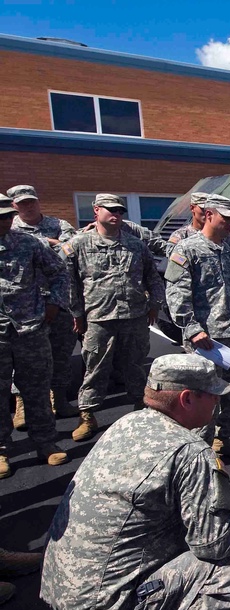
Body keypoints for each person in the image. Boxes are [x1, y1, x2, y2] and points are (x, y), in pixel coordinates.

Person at [41, 354, 230, 610]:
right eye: (213, 396)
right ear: (187, 398)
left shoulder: (127, 424)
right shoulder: (189, 450)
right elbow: (213, 544)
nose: (218, 403)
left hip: (61, 601)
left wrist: (225, 509)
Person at [165, 194, 230, 459]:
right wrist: (192, 329)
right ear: (209, 215)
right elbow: (177, 295)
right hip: (206, 339)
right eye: (226, 218)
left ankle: (224, 439)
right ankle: (199, 451)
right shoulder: (187, 250)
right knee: (204, 396)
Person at [62, 194, 165, 442]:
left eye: (119, 211)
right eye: (111, 210)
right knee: (96, 367)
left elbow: (153, 277)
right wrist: (76, 313)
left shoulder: (136, 245)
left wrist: (154, 304)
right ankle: (87, 415)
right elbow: (70, 284)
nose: (116, 214)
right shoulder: (78, 244)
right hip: (99, 317)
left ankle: (142, 410)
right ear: (96, 210)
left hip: (135, 316)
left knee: (136, 366)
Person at [0, 194, 69, 478]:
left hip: (30, 328)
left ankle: (45, 443)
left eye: (6, 215)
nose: (4, 221)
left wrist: (54, 302)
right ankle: (2, 450)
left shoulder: (29, 243)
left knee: (38, 389)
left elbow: (59, 273)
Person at [7, 184, 78, 420]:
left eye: (31, 201)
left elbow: (71, 250)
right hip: (22, 308)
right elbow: (60, 248)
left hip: (58, 301)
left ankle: (59, 399)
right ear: (13, 206)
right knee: (21, 361)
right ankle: (22, 406)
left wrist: (45, 241)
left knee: (61, 352)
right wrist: (53, 243)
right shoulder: (9, 227)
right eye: (22, 203)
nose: (28, 206)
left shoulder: (59, 225)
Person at [165, 191, 210, 256]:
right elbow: (174, 259)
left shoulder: (219, 235)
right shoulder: (180, 235)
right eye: (203, 209)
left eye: (209, 209)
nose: (206, 212)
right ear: (192, 208)